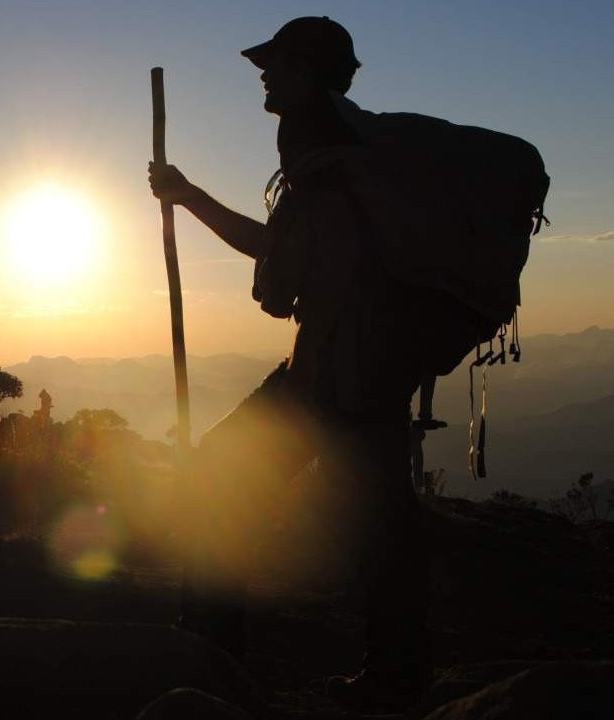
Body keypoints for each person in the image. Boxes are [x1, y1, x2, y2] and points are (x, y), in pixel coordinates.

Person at [149, 16, 433, 714]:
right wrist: (189, 196)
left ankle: (215, 662)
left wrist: (293, 300)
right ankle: (393, 681)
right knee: (380, 528)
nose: (265, 76)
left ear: (306, 68)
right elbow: (280, 243)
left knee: (222, 483)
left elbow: (297, 260)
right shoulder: (353, 141)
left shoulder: (313, 135)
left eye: (275, 64)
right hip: (373, 365)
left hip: (334, 369)